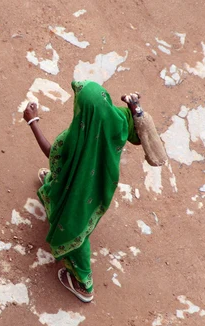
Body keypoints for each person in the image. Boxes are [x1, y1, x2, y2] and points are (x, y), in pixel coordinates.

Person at [23, 80, 142, 303]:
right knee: (65, 190)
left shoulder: (73, 139)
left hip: (79, 190)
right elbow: (137, 135)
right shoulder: (117, 117)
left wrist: (33, 122)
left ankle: (83, 283)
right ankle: (53, 184)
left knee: (74, 228)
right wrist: (135, 109)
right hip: (100, 184)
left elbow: (53, 155)